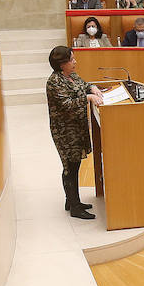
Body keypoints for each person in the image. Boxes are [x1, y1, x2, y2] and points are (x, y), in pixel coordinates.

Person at [46, 46, 104, 220]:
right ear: (61, 64)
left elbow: (84, 85)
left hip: (77, 127)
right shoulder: (54, 82)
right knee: (69, 166)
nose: (75, 62)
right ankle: (74, 207)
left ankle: (72, 200)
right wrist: (88, 98)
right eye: (71, 60)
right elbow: (67, 104)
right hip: (65, 130)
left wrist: (92, 88)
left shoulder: (71, 76)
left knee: (75, 164)